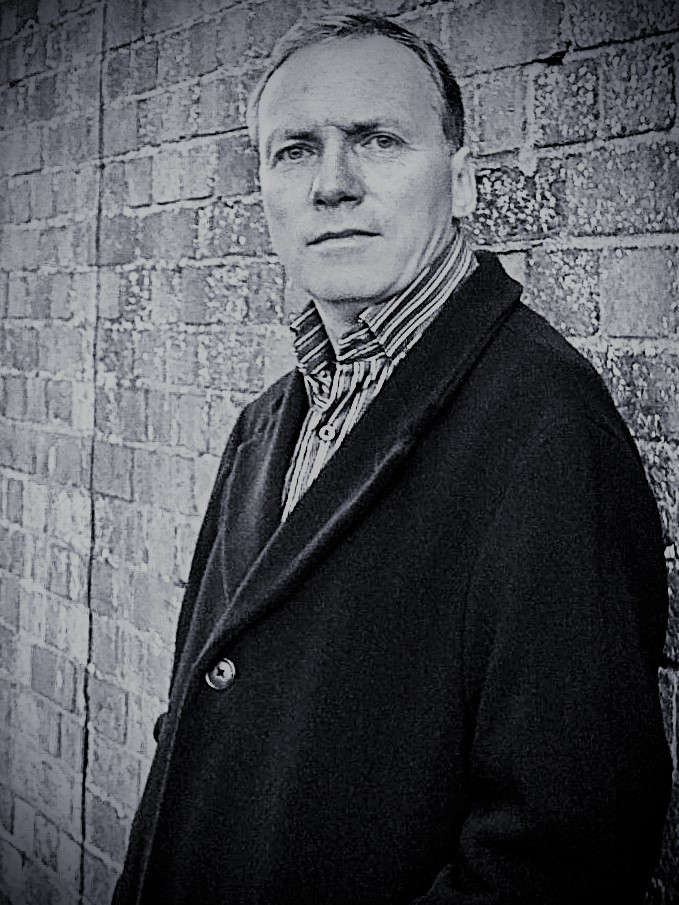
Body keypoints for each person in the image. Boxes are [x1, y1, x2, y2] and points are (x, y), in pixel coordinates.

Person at [113, 14, 671, 905]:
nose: (332, 183)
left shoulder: (545, 428)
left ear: (461, 180)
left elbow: (563, 852)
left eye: (376, 139)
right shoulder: (267, 422)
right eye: (294, 150)